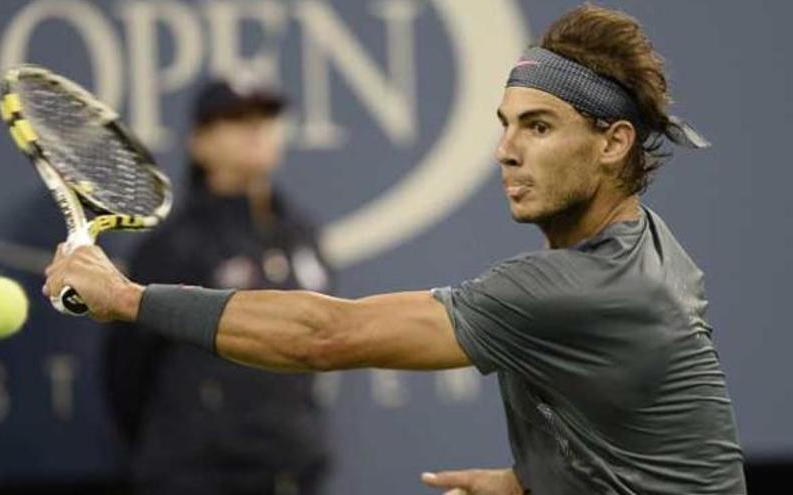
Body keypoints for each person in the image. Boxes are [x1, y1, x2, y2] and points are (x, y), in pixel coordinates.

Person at [45, 5, 747, 494]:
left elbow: (323, 336)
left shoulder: (572, 287)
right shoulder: (655, 250)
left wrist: (130, 299)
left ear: (613, 142)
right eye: (505, 125)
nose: (505, 151)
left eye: (538, 126)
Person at [104, 77, 333, 494]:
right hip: (199, 477)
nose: (255, 129)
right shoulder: (172, 246)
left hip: (293, 471)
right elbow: (127, 372)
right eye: (235, 118)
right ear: (200, 143)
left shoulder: (304, 235)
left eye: (266, 116)